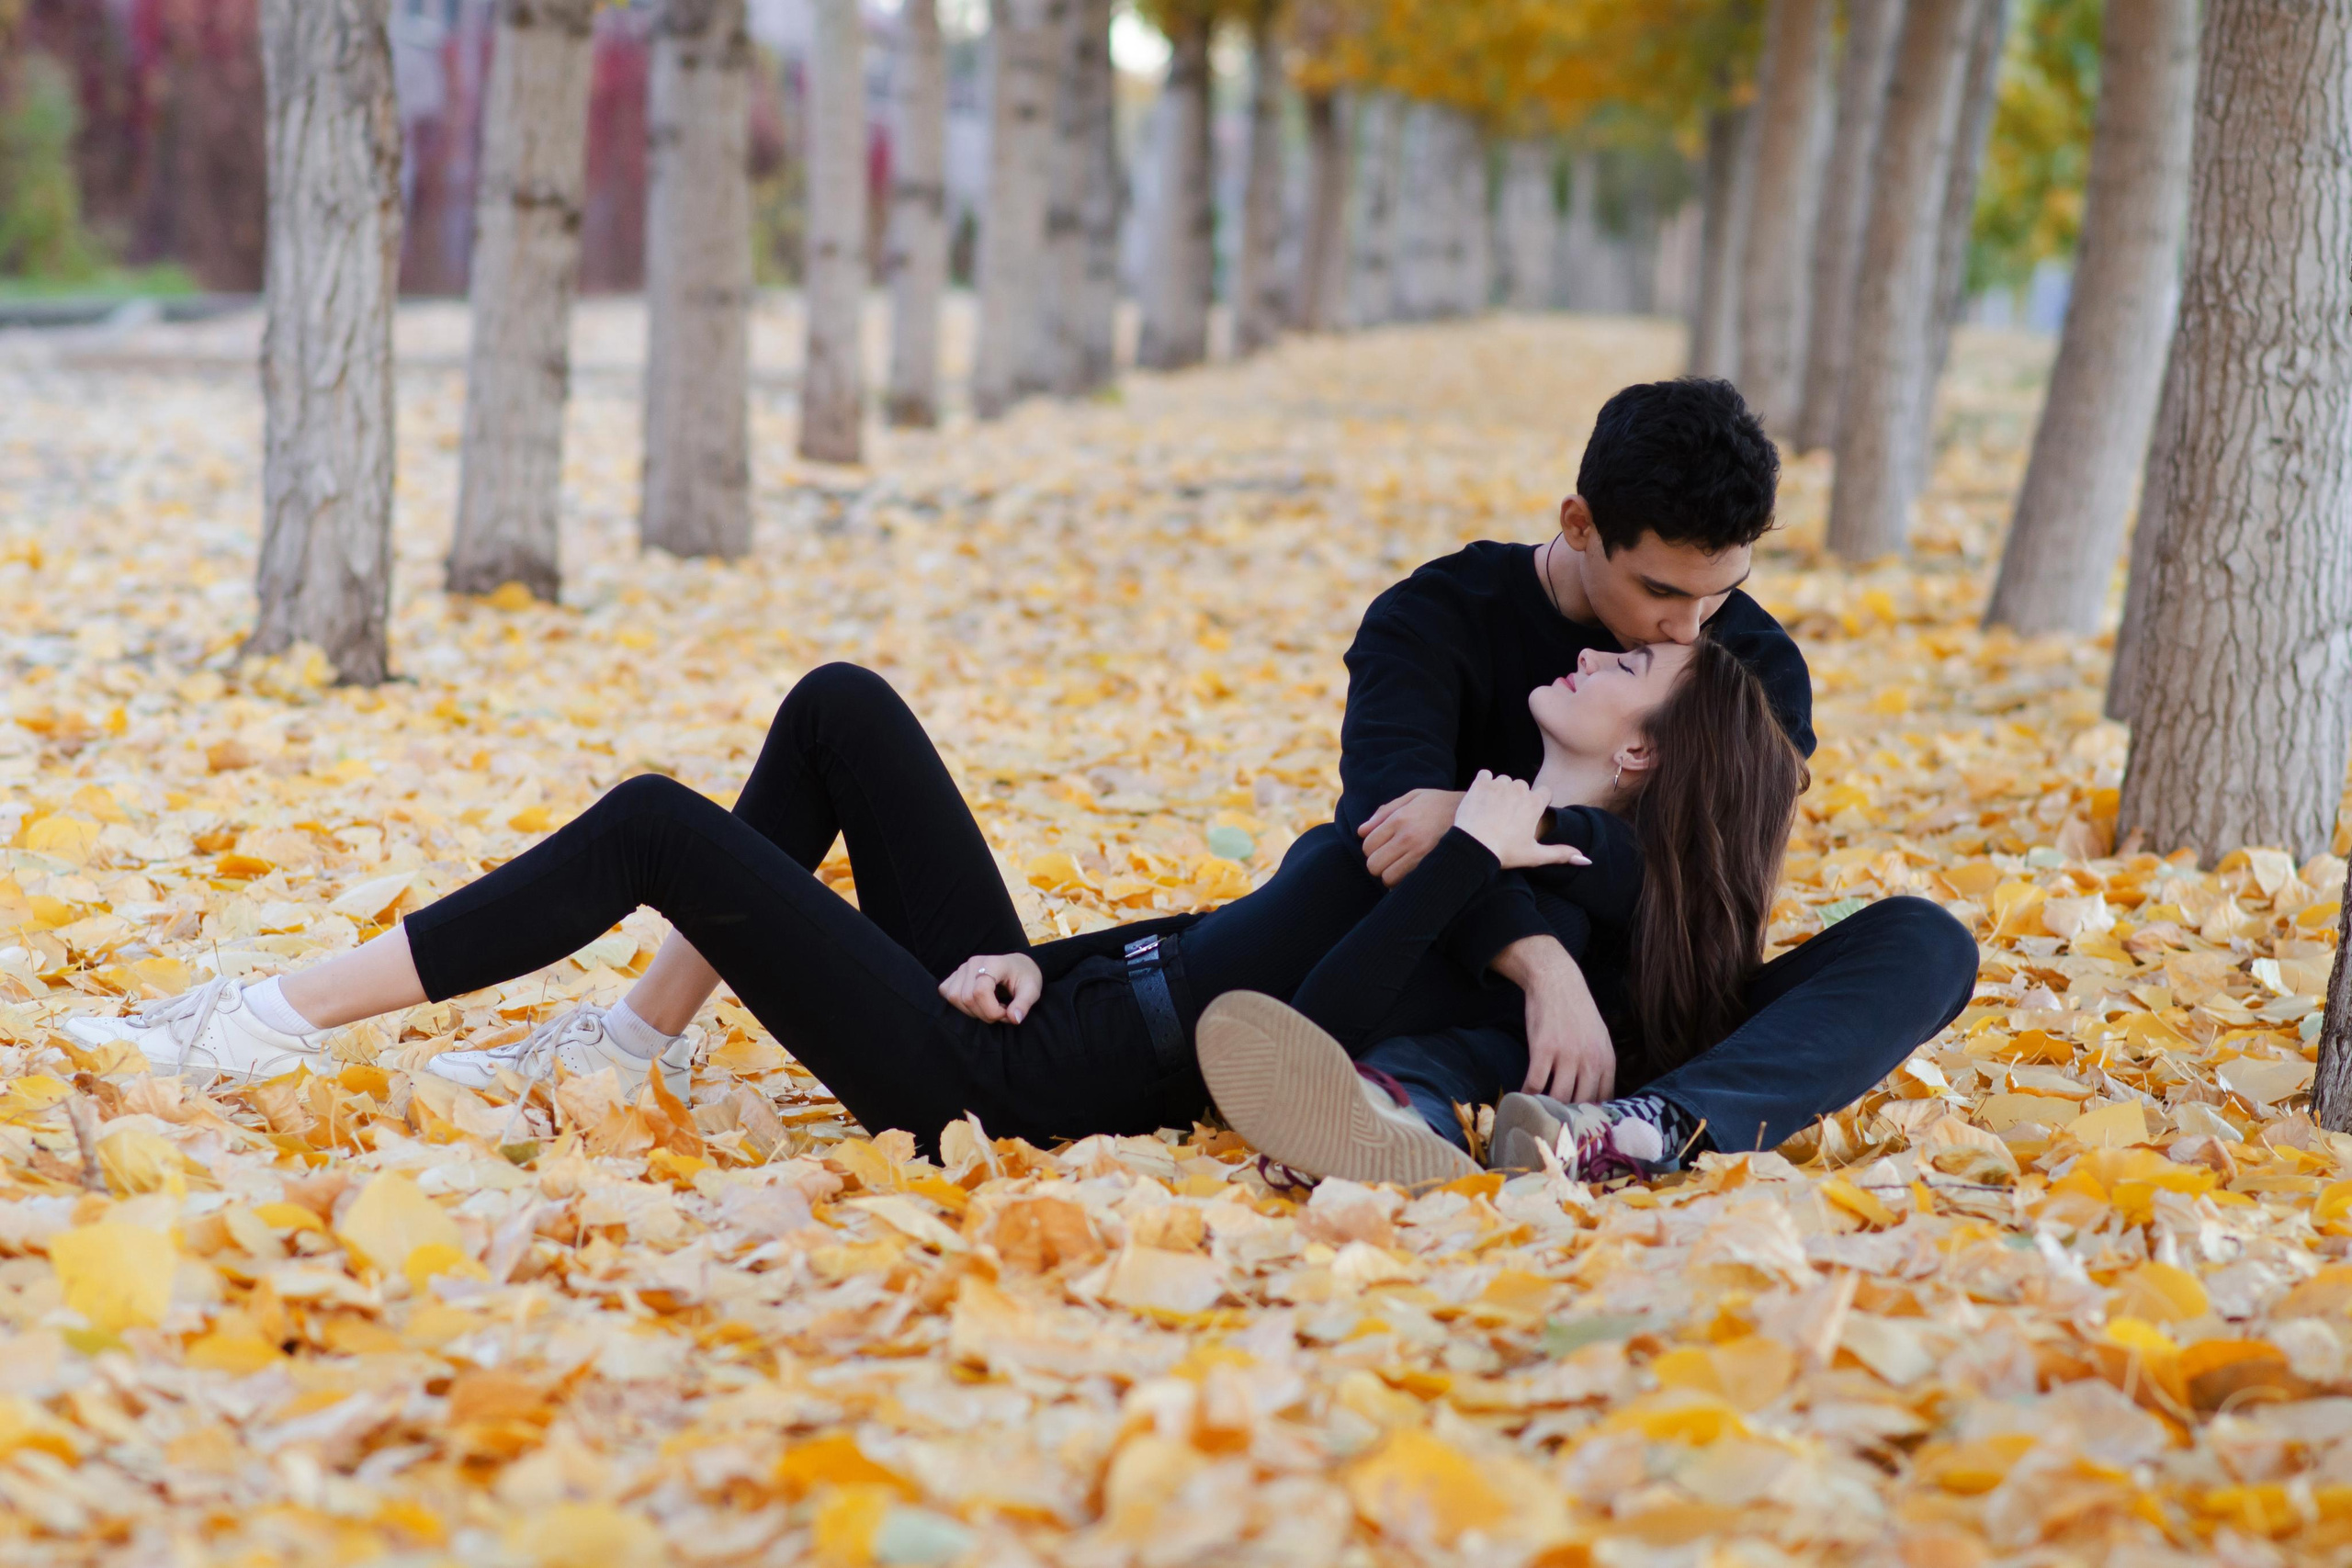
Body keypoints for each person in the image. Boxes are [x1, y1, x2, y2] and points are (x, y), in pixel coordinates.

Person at [71, 658, 1655, 1160]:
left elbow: (1301, 1027)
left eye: (1634, 661)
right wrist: (1030, 958)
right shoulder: (1484, 816)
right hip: (1055, 1009)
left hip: (1022, 1096)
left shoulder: (1534, 887)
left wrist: (1474, 872)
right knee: (841, 707)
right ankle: (635, 1045)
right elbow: (1223, 933)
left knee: (651, 825)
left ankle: (267, 1019)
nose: (1592, 652)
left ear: (1642, 753)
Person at [1306, 376, 1978, 1167]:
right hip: (1469, 999)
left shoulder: (1754, 670)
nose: (1690, 625)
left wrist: (1500, 817)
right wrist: (1547, 971)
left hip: (1665, 1014)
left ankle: (1653, 1127)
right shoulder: (1434, 618)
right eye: (1661, 590)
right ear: (1581, 524)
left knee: (1929, 941)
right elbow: (1391, 839)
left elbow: (1708, 880)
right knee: (1405, 1018)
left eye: (1721, 592)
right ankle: (1396, 1127)